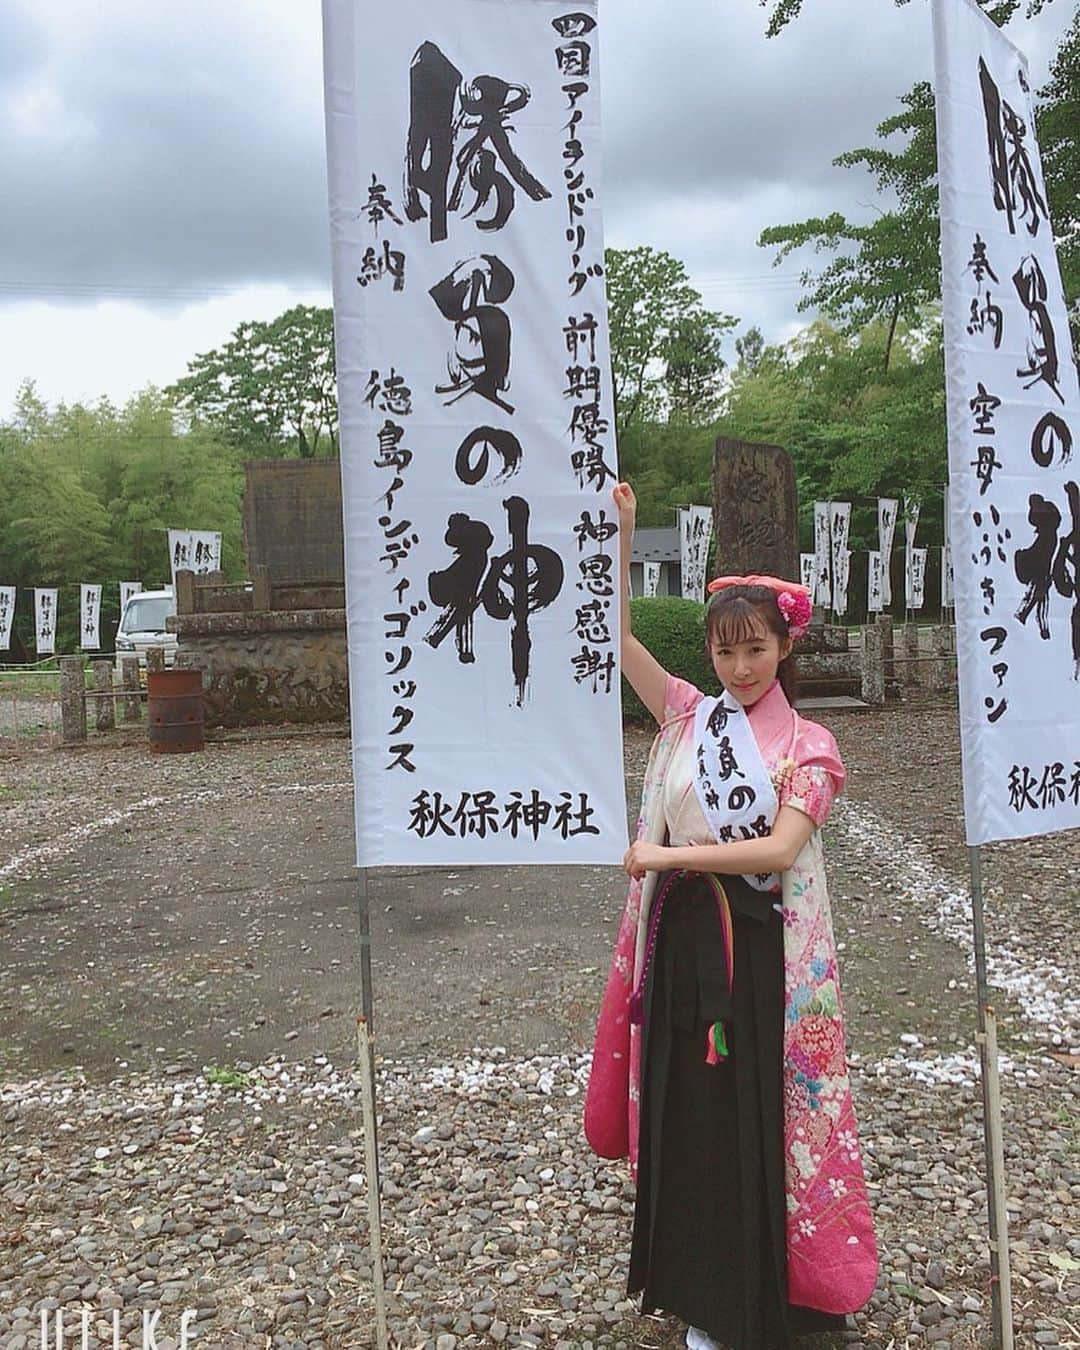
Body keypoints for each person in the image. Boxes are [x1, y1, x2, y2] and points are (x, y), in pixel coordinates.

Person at [584, 482, 877, 1350]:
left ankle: (757, 1299)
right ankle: (698, 1291)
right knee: (688, 1119)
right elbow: (617, 640)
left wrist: (669, 857)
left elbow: (780, 852)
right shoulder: (691, 715)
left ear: (785, 646)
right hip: (682, 947)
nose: (738, 669)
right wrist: (625, 534)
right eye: (724, 653)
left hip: (760, 964)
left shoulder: (807, 746)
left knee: (752, 1121)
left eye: (754, 651)